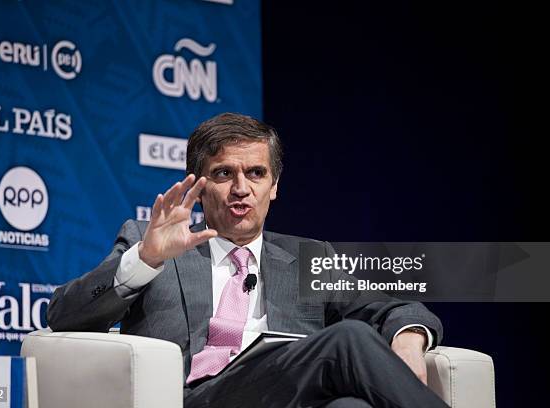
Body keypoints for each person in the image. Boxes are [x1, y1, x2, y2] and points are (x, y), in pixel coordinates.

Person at [47, 113, 449, 408]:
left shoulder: (307, 259)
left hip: (283, 395)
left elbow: (395, 308)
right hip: (198, 398)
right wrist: (146, 259)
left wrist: (409, 340)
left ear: (274, 187)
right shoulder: (152, 244)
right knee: (348, 338)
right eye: (224, 174)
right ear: (199, 188)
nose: (241, 189)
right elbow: (64, 315)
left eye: (256, 173)